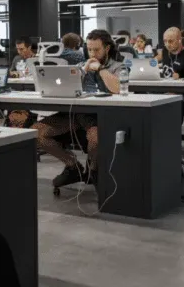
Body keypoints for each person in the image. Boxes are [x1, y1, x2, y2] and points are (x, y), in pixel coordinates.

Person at [34, 29, 123, 187]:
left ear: (107, 48)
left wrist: (100, 69)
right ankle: (72, 165)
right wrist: (83, 70)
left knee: (95, 138)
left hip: (99, 116)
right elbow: (67, 86)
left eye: (96, 49)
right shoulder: (82, 65)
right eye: (89, 49)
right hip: (76, 115)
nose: (92, 53)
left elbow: (117, 88)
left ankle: (93, 171)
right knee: (37, 132)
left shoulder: (118, 66)